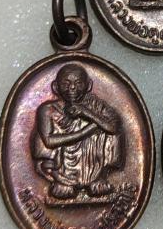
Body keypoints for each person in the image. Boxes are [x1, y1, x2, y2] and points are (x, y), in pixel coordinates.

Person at [32, 64, 124, 199]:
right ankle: (63, 180)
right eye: (66, 83)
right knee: (42, 135)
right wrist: (87, 130)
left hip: (94, 163)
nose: (72, 88)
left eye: (78, 83)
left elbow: (114, 126)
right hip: (60, 163)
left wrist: (86, 113)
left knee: (111, 130)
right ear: (55, 87)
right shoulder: (47, 109)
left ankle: (97, 179)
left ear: (88, 86)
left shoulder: (95, 105)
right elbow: (49, 141)